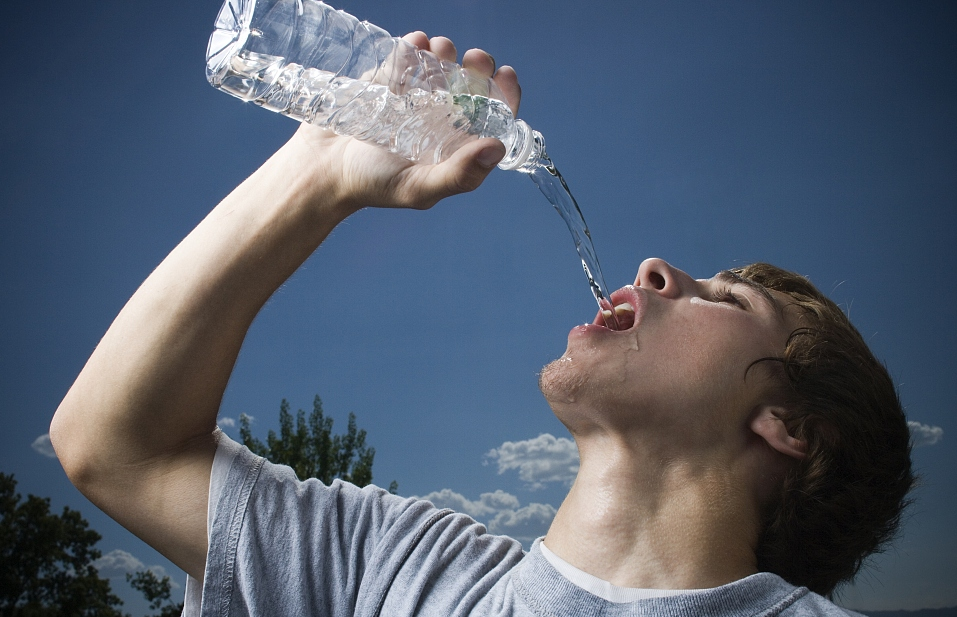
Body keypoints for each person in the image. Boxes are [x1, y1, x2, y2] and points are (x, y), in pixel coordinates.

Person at [50, 31, 913, 616]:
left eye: (725, 300)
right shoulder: (396, 571)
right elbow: (117, 448)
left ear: (791, 426)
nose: (656, 270)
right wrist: (320, 169)